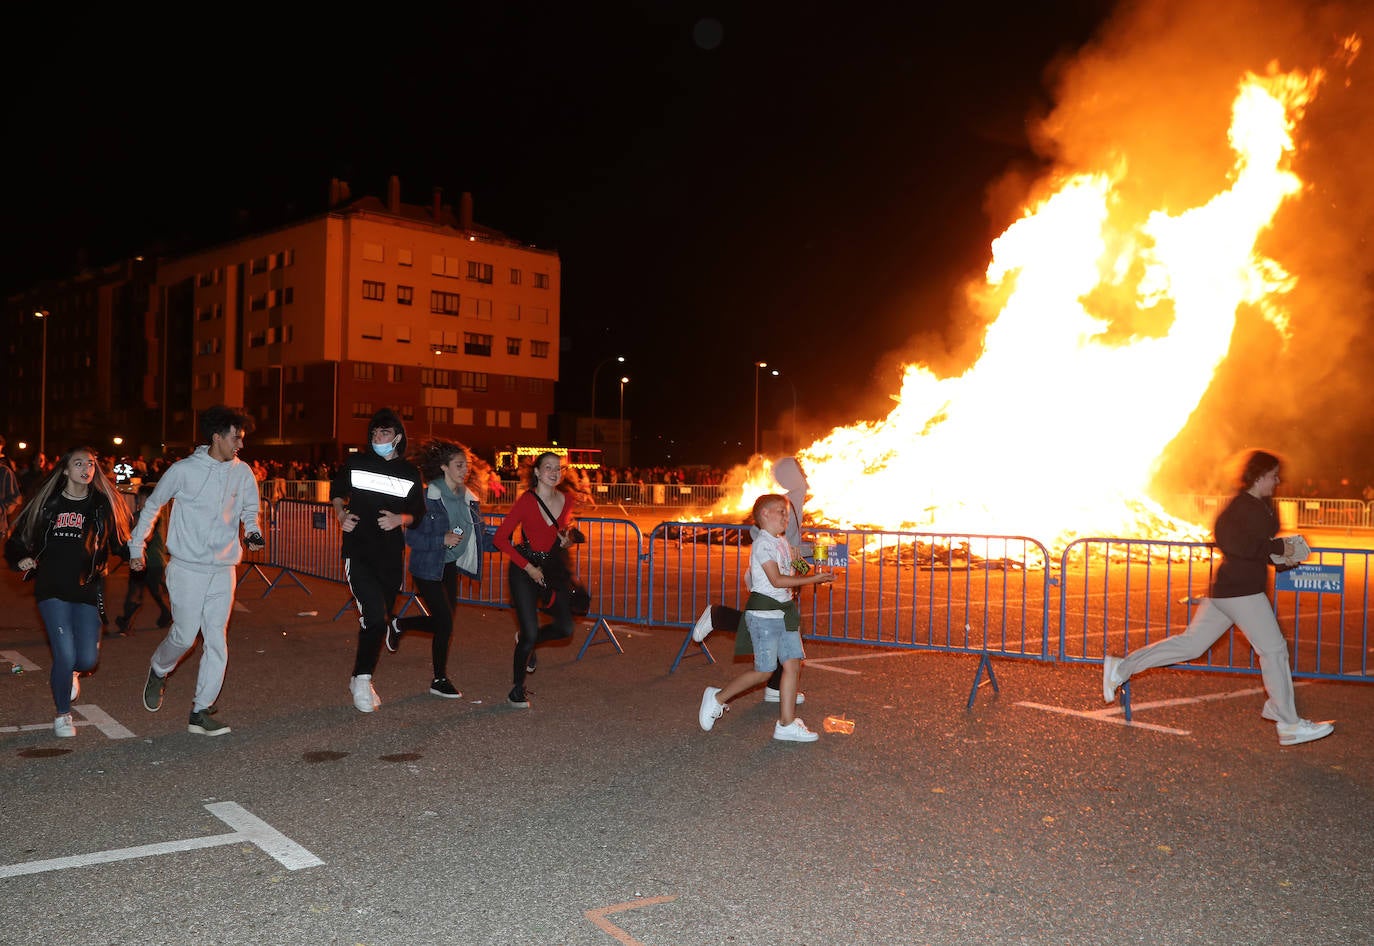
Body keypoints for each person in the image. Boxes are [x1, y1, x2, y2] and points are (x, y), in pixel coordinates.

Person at [1102, 449, 1334, 747]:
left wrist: (1284, 556)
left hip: (1231, 590)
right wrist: (1276, 549)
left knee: (1191, 644)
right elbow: (1232, 541)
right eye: (1273, 475)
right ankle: (1287, 722)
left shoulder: (1261, 505)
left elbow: (1259, 547)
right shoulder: (1241, 506)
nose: (1277, 481)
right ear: (1260, 475)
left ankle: (1121, 667)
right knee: (1274, 650)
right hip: (1242, 591)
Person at [131, 406, 264, 737]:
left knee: (217, 639)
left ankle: (201, 710)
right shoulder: (183, 470)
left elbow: (250, 510)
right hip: (187, 568)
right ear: (217, 437)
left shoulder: (243, 472)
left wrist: (252, 531)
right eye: (236, 438)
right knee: (185, 635)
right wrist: (137, 547)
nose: (240, 445)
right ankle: (159, 669)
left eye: (242, 439)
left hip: (223, 568)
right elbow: (152, 506)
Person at [4, 447, 132, 737]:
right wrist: (21, 556)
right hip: (51, 588)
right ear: (65, 470)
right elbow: (18, 539)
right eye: (78, 463)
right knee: (64, 653)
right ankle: (63, 715)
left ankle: (72, 672)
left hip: (88, 587)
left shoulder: (101, 504)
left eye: (90, 464)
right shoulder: (48, 503)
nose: (86, 468)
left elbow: (118, 540)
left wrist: (135, 555)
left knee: (86, 660)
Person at [696, 492, 834, 742]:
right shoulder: (762, 544)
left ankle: (786, 724)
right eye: (781, 511)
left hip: (785, 613)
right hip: (765, 616)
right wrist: (814, 579)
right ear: (765, 515)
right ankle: (717, 697)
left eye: (786, 512)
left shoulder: (781, 541)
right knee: (764, 672)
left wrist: (810, 562)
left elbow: (793, 567)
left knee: (792, 665)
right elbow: (777, 580)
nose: (786, 517)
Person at [693, 456, 816, 704]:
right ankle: (718, 615)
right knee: (766, 625)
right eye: (800, 471)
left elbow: (789, 545)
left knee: (783, 629)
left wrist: (807, 563)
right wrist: (807, 562)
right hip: (771, 580)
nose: (805, 476)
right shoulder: (785, 504)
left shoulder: (791, 501)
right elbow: (778, 541)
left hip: (781, 576)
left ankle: (775, 687)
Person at [331, 408, 425, 713]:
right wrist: (341, 515)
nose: (376, 438)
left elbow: (419, 514)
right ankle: (362, 678)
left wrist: (401, 518)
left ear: (397, 436)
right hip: (358, 551)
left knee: (380, 619)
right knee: (373, 618)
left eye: (383, 433)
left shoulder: (409, 472)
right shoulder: (357, 463)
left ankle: (360, 675)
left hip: (390, 555)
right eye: (373, 433)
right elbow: (336, 491)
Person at [385, 439, 487, 699]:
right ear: (443, 467)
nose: (465, 470)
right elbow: (412, 539)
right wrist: (441, 540)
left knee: (445, 624)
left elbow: (477, 535)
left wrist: (510, 543)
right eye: (459, 465)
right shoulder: (428, 497)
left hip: (449, 567)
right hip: (427, 568)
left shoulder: (467, 498)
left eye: (467, 465)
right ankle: (439, 679)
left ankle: (399, 624)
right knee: (444, 623)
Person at [493, 451, 579, 708]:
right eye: (549, 467)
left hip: (551, 566)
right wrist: (528, 567)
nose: (554, 472)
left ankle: (527, 641)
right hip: (524, 568)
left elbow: (560, 533)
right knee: (530, 632)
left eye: (558, 468)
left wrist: (567, 539)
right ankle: (517, 689)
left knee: (566, 628)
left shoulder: (567, 499)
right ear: (537, 472)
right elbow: (500, 539)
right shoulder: (526, 501)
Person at [113, 482, 173, 636]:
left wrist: (132, 543)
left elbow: (146, 536)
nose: (139, 501)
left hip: (148, 561)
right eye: (138, 498)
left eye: (142, 498)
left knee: (147, 593)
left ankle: (166, 614)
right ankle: (127, 621)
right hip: (152, 562)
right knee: (146, 592)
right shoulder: (153, 516)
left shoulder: (147, 517)